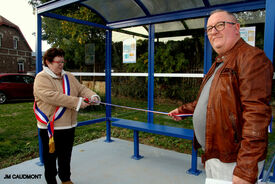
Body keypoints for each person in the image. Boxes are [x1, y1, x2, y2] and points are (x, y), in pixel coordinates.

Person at [168, 9, 273, 184]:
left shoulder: (251, 58)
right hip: (214, 154)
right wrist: (182, 110)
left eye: (220, 25)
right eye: (209, 28)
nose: (213, 31)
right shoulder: (220, 62)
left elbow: (257, 116)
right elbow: (210, 102)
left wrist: (246, 168)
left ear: (237, 28)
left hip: (234, 160)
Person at [33, 48, 100, 184]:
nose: (61, 65)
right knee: (50, 159)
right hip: (51, 128)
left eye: (63, 61)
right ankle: (51, 181)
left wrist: (92, 95)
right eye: (58, 62)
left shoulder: (68, 76)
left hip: (69, 125)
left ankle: (66, 179)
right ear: (48, 62)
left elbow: (81, 89)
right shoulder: (41, 78)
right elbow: (54, 97)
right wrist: (78, 102)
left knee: (66, 156)